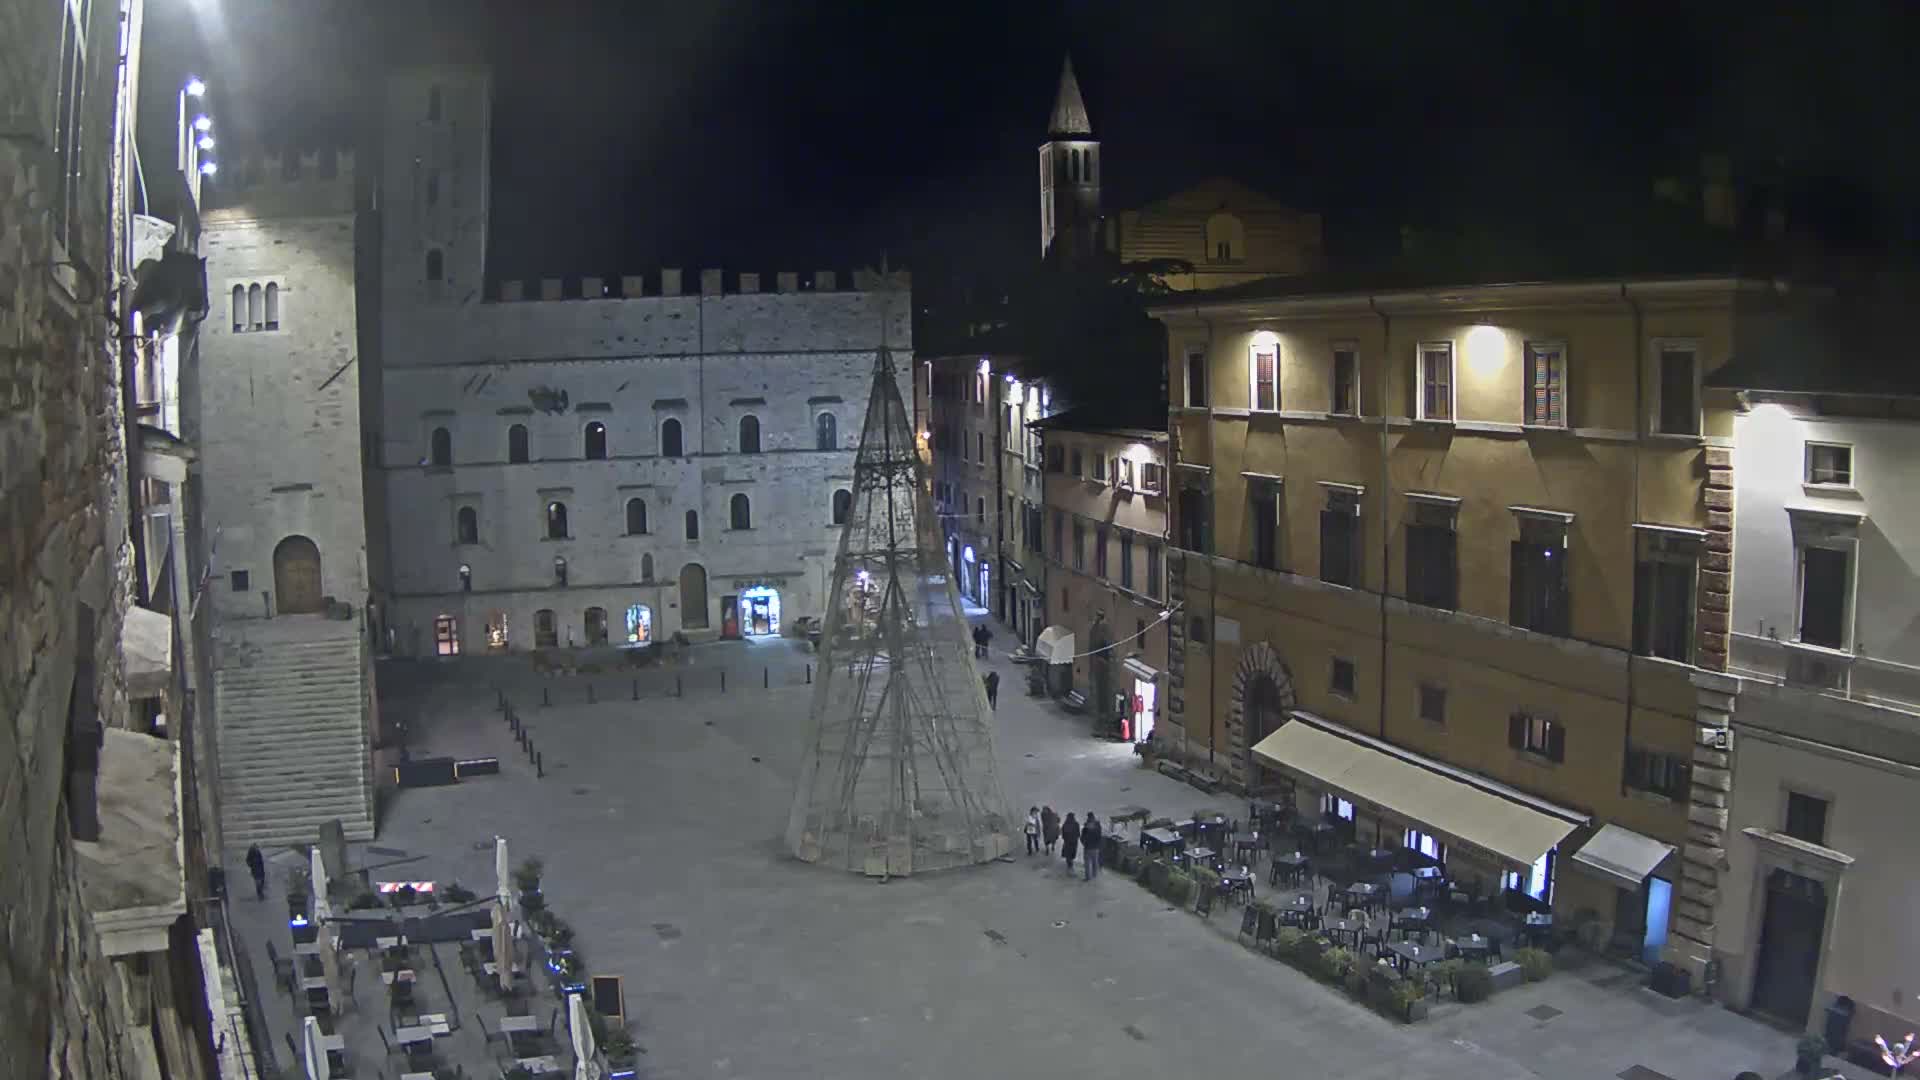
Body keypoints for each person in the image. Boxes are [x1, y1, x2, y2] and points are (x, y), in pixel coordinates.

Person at [1081, 813, 1103, 880]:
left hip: (1087, 848)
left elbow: (1082, 837)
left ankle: (1088, 877)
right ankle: (1094, 875)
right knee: (1095, 862)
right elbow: (1099, 837)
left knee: (1087, 863)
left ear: (1088, 817)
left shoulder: (1086, 827)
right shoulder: (1098, 826)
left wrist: (1084, 843)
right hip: (1095, 848)